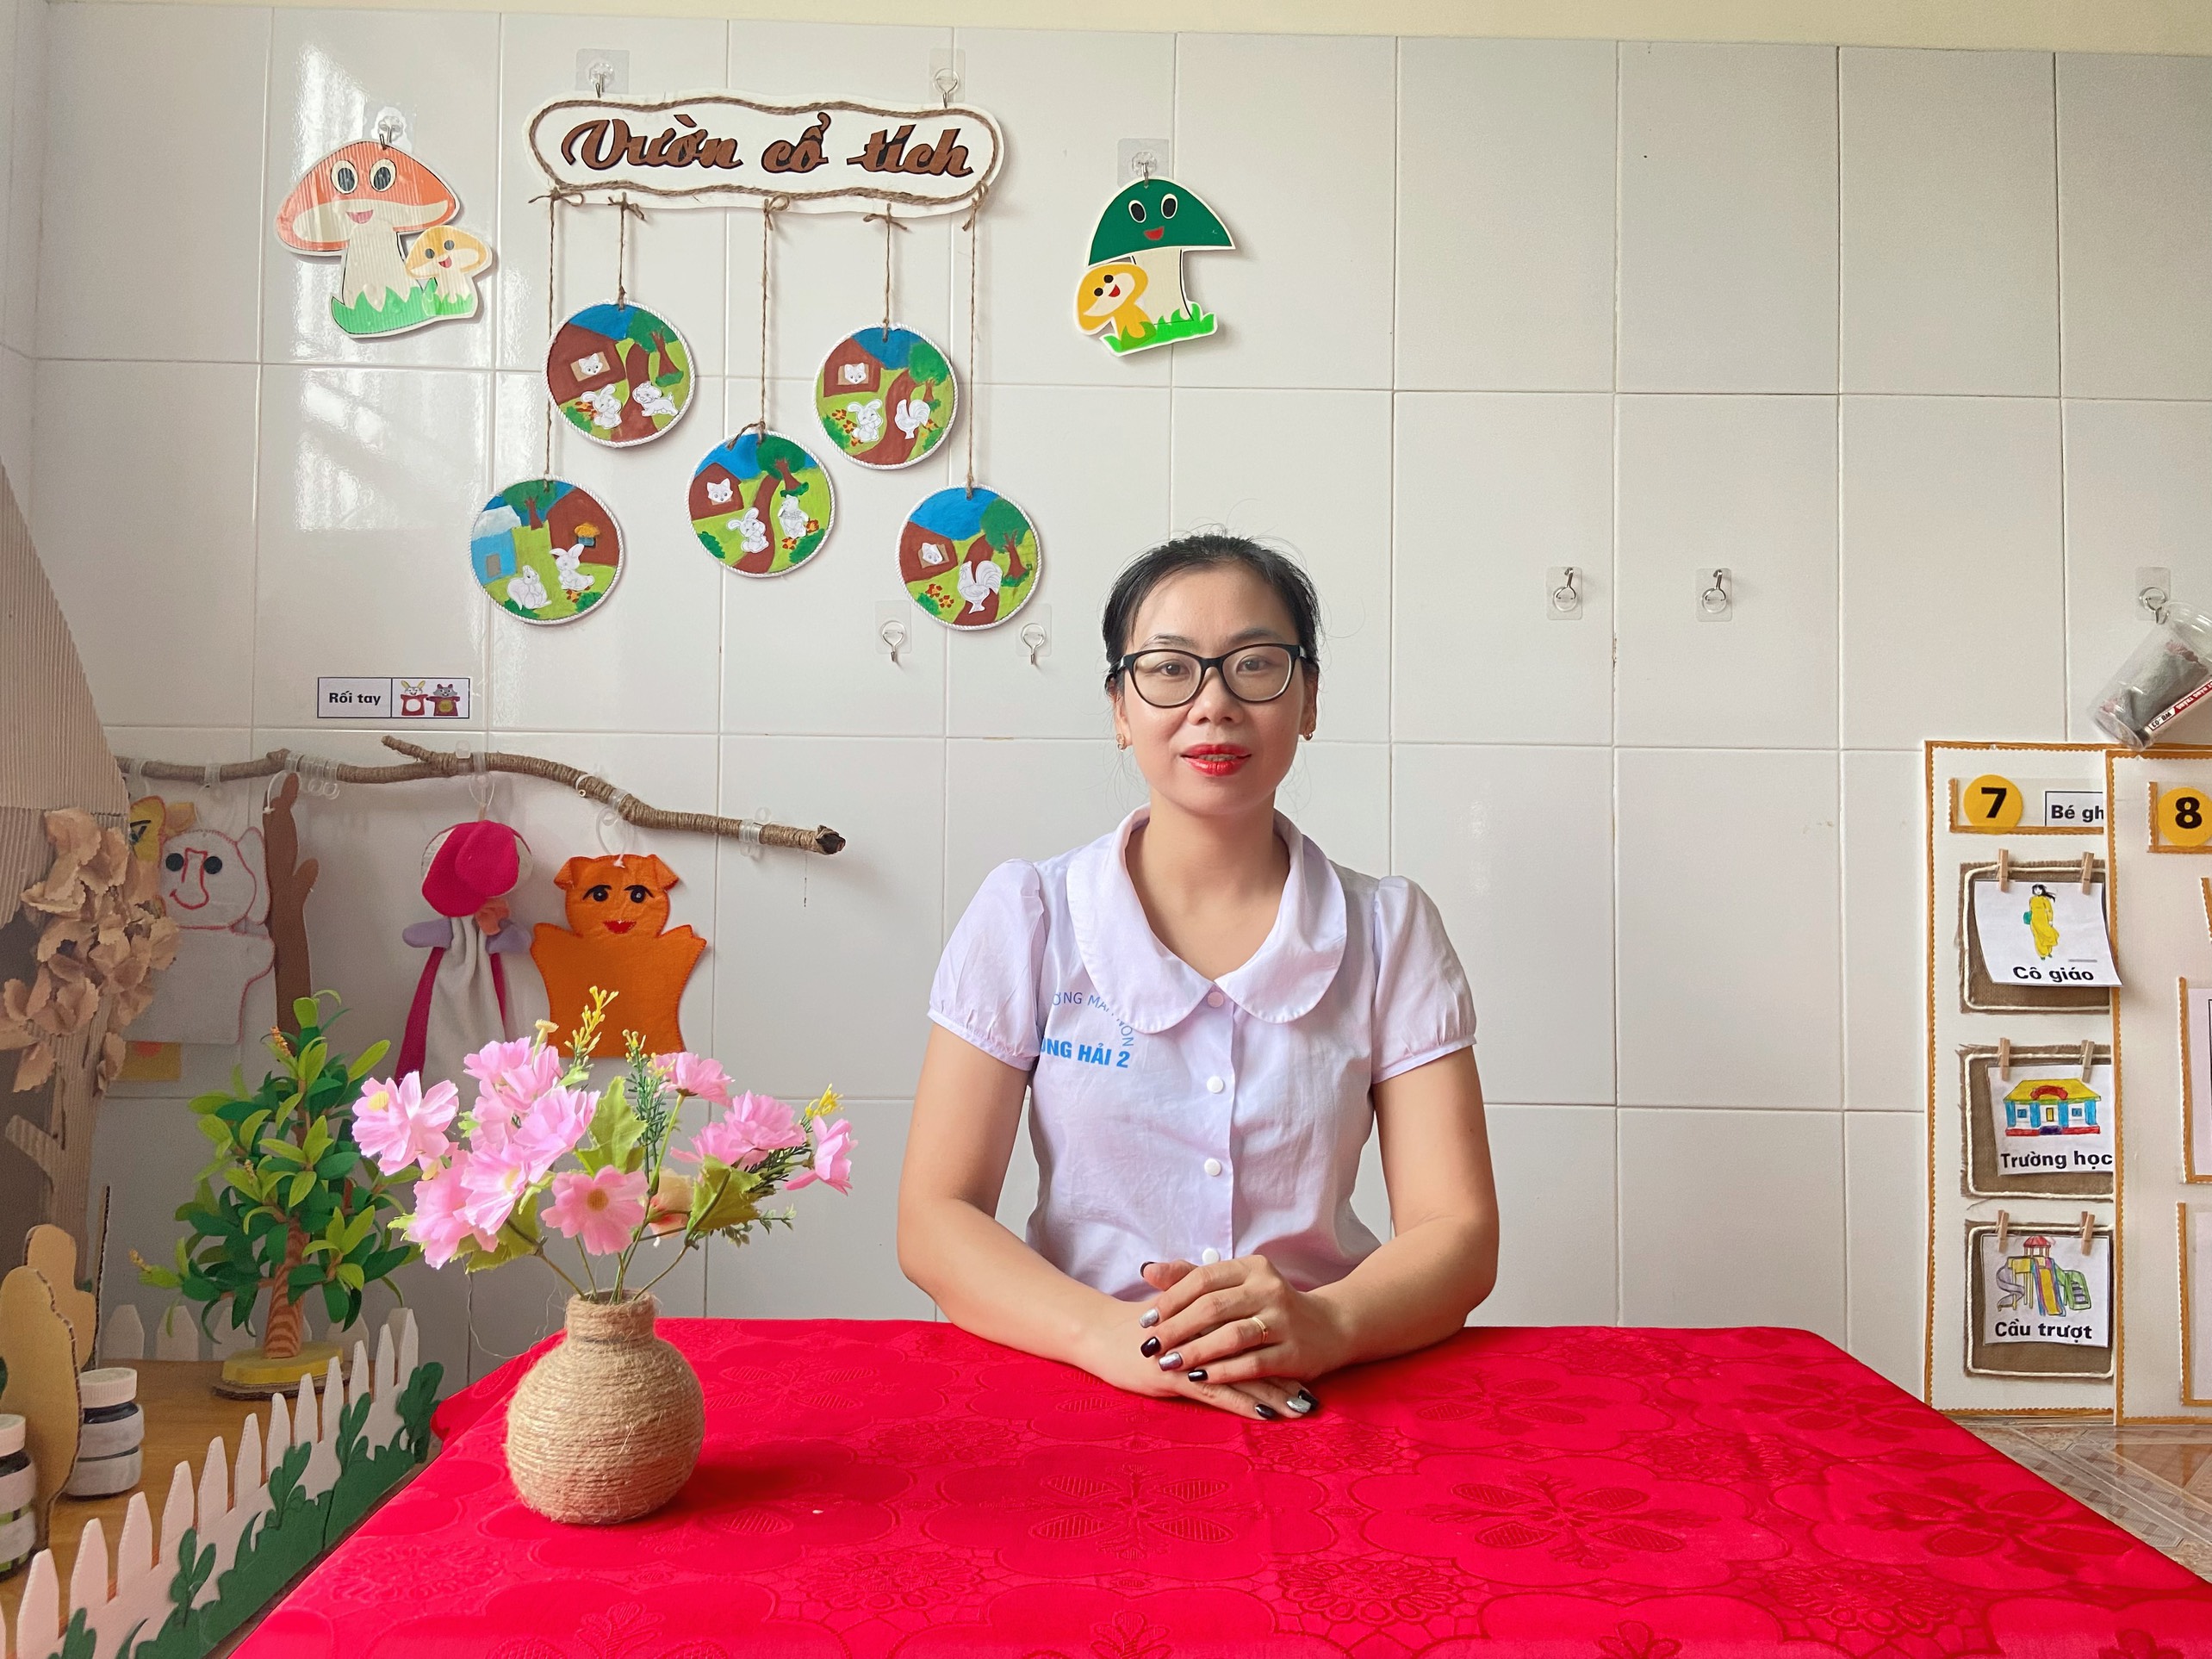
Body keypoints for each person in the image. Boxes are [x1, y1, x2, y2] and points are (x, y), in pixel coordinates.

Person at [898, 533, 1498, 1420]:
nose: (1213, 705)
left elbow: (1458, 1232)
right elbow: (935, 1217)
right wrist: (1106, 1336)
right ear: (1119, 707)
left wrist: (1329, 1323)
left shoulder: (1388, 928)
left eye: (1254, 666)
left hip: (1325, 1390)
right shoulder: (1030, 915)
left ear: (1309, 698)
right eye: (1170, 670)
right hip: (1072, 1384)